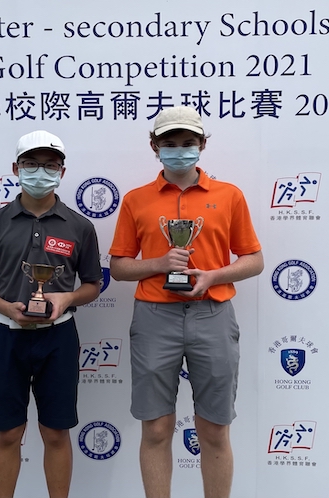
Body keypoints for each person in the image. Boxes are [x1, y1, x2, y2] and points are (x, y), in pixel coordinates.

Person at [108, 106, 263, 498]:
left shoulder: (229, 196)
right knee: (156, 427)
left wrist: (214, 276)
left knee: (213, 428)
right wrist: (159, 264)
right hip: (154, 317)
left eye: (188, 143)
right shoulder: (135, 200)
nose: (180, 150)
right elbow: (120, 267)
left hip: (213, 314)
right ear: (154, 146)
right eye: (170, 144)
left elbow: (254, 260)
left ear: (203, 145)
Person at [0, 130, 101, 498]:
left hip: (58, 337)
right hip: (6, 336)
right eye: (31, 164)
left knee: (56, 431)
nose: (40, 172)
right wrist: (7, 308)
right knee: (8, 432)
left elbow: (92, 284)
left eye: (50, 165)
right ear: (16, 168)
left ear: (62, 170)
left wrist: (66, 299)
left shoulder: (80, 226)